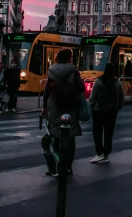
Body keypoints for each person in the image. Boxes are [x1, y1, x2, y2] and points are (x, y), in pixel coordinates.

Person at [42, 48, 84, 176]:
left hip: (54, 106)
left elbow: (46, 91)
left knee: (56, 136)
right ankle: (68, 166)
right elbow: (81, 88)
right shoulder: (73, 71)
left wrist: (44, 108)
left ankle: (58, 163)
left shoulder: (51, 70)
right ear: (69, 58)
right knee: (70, 138)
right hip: (70, 106)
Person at [89, 63, 125, 163]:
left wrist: (91, 108)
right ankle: (106, 154)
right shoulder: (117, 82)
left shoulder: (99, 81)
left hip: (98, 111)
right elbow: (121, 98)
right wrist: (118, 108)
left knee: (97, 132)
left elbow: (93, 98)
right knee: (109, 133)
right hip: (112, 111)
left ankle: (99, 153)